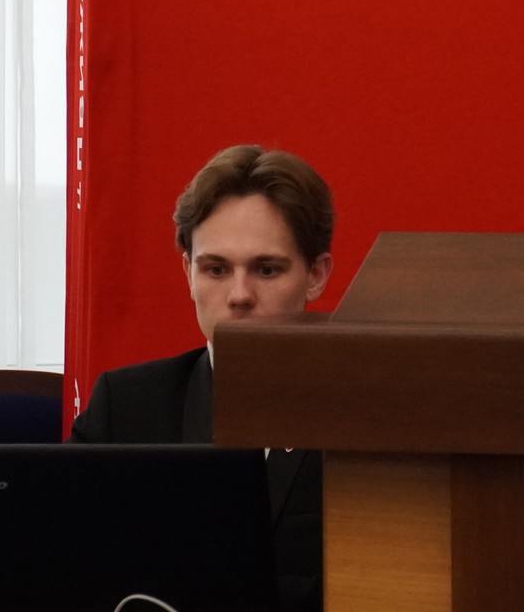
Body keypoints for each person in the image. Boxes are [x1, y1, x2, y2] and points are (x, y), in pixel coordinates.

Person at [70, 144, 333, 612]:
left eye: (266, 269)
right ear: (188, 273)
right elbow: (63, 566)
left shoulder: (365, 414)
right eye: (216, 269)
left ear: (315, 274)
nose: (239, 295)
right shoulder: (125, 406)